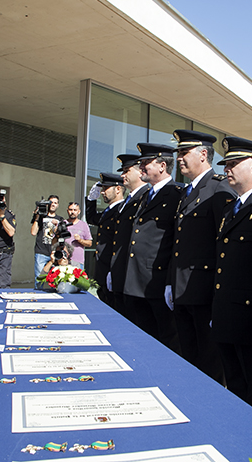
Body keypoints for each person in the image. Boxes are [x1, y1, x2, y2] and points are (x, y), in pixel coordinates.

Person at [213, 136, 252, 419]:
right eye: (226, 163)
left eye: (234, 163)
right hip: (226, 314)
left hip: (250, 318)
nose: (227, 168)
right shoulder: (229, 209)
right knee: (234, 388)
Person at [167, 130, 235, 383]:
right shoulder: (186, 192)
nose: (180, 159)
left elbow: (224, 246)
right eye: (179, 153)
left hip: (205, 292)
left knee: (210, 366)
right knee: (189, 358)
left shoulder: (219, 187)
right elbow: (179, 242)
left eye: (184, 153)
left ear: (203, 154)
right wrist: (170, 282)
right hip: (182, 290)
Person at [124, 143, 182, 353]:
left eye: (146, 163)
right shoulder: (145, 196)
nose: (142, 167)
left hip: (157, 280)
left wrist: (169, 282)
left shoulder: (177, 194)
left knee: (166, 341)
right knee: (142, 338)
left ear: (162, 166)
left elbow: (175, 239)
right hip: (137, 280)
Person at [109, 154, 148, 317]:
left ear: (140, 172)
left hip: (135, 276)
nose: (122, 175)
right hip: (121, 271)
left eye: (127, 171)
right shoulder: (128, 201)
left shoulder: (144, 196)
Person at [86, 173, 125, 308]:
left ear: (118, 189)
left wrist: (113, 271)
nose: (102, 192)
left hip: (111, 268)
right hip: (102, 269)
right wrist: (91, 200)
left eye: (106, 188)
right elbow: (91, 219)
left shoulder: (121, 209)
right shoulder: (108, 211)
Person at [31, 195, 63, 288]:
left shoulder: (60, 219)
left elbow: (61, 235)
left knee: (57, 279)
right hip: (41, 252)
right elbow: (33, 232)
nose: (53, 204)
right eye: (51, 202)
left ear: (58, 205)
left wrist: (57, 225)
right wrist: (37, 217)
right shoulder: (40, 216)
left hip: (54, 253)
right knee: (39, 279)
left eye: (55, 203)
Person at [66, 201, 93, 268]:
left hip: (78, 261)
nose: (72, 212)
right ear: (67, 211)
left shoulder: (83, 225)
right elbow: (54, 241)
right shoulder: (63, 224)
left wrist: (80, 240)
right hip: (63, 260)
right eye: (70, 209)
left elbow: (90, 243)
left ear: (79, 212)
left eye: (75, 210)